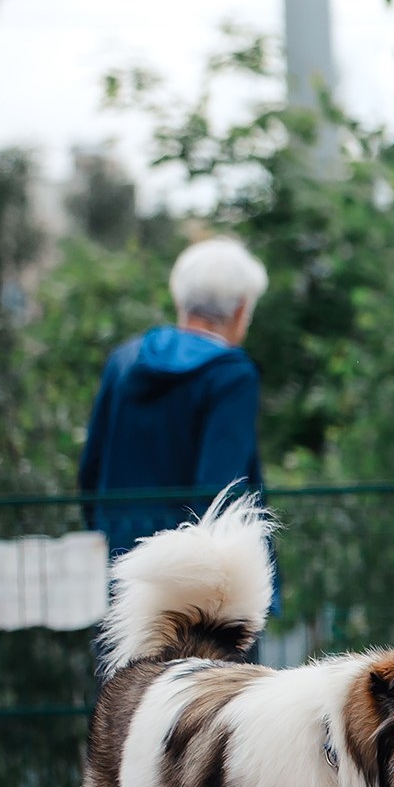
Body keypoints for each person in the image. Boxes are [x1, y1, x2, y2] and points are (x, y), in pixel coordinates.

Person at [79, 236, 270, 561]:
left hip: (122, 563)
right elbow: (220, 495)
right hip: (192, 578)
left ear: (180, 301)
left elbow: (90, 472)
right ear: (240, 309)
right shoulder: (231, 375)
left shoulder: (124, 359)